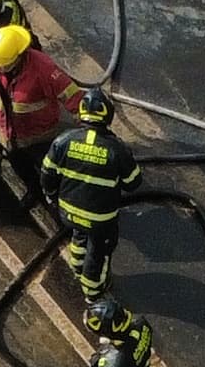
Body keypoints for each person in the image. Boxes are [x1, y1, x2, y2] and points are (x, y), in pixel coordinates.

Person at [45, 85, 140, 301]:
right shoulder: (116, 148)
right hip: (100, 219)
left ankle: (77, 267)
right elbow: (133, 182)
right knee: (98, 253)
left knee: (79, 237)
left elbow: (47, 173)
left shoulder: (63, 141)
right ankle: (93, 292)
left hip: (68, 213)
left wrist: (52, 197)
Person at [0, 24, 78, 222]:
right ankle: (34, 192)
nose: (0, 70)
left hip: (41, 136)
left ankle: (61, 207)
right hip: (9, 137)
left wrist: (90, 126)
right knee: (22, 169)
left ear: (20, 56)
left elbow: (71, 94)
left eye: (5, 66)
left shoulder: (43, 68)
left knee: (52, 173)